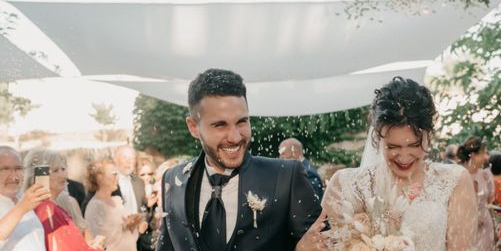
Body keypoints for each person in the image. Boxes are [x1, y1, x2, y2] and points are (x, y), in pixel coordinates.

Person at [156, 68, 324, 251]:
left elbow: (327, 244)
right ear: (193, 127)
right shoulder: (173, 180)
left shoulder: (287, 177)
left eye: (242, 121)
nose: (235, 137)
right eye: (220, 125)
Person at [322, 76, 477, 250]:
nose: (403, 157)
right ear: (377, 137)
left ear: (429, 135)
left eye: (414, 145)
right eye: (393, 146)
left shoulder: (454, 180)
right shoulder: (345, 184)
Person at [22, 148, 103, 250]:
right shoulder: (46, 208)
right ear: (39, 176)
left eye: (63, 169)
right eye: (55, 170)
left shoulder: (50, 206)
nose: (63, 175)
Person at [85, 157, 146, 251]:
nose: (117, 177)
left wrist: (134, 225)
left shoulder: (117, 201)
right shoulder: (95, 206)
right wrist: (124, 225)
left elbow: (128, 237)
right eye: (114, 174)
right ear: (100, 178)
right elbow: (100, 241)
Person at [0, 146, 48, 249]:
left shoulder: (23, 197)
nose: (14, 176)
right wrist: (22, 208)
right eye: (5, 169)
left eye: (18, 168)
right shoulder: (24, 203)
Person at [458, 136, 495, 251]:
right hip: (464, 226)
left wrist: (494, 225)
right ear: (473, 155)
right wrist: (471, 218)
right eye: (483, 153)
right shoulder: (458, 174)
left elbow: (490, 203)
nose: (486, 157)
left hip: (485, 227)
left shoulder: (485, 175)